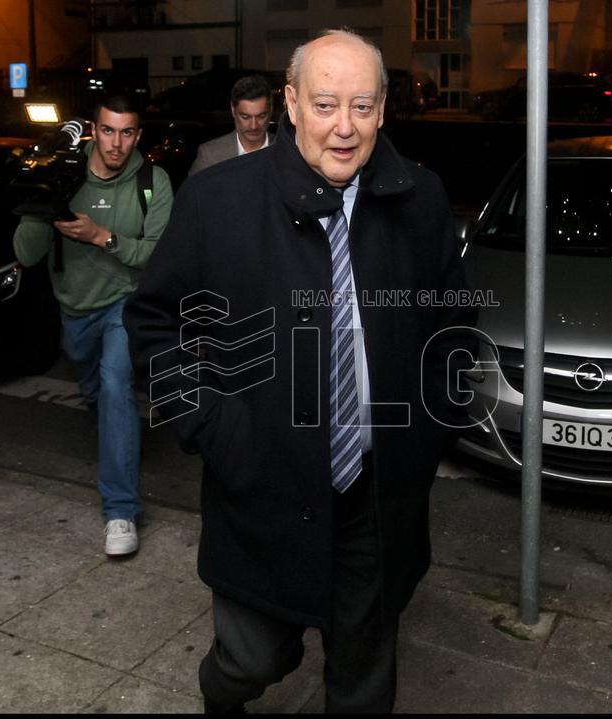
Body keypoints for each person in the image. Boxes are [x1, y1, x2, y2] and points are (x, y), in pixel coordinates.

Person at [124, 30, 474, 712]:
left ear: (382, 110)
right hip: (261, 489)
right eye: (325, 104)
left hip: (377, 493)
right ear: (289, 104)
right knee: (254, 657)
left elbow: (454, 326)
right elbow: (153, 324)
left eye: (362, 106)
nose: (345, 127)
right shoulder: (217, 200)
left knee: (364, 671)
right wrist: (212, 427)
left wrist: (430, 429)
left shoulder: (421, 198)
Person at [13, 94, 173, 556]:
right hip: (74, 307)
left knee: (115, 385)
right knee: (95, 392)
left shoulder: (152, 182)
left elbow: (158, 256)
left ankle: (120, 511)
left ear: (137, 136)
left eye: (126, 132)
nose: (116, 143)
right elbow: (26, 254)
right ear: (94, 131)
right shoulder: (65, 170)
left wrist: (101, 236)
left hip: (125, 303)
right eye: (107, 131)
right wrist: (45, 199)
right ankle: (113, 433)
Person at [188, 74, 275, 175]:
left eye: (261, 116)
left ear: (271, 110)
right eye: (245, 117)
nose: (253, 126)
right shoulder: (210, 156)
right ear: (233, 110)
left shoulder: (287, 150)